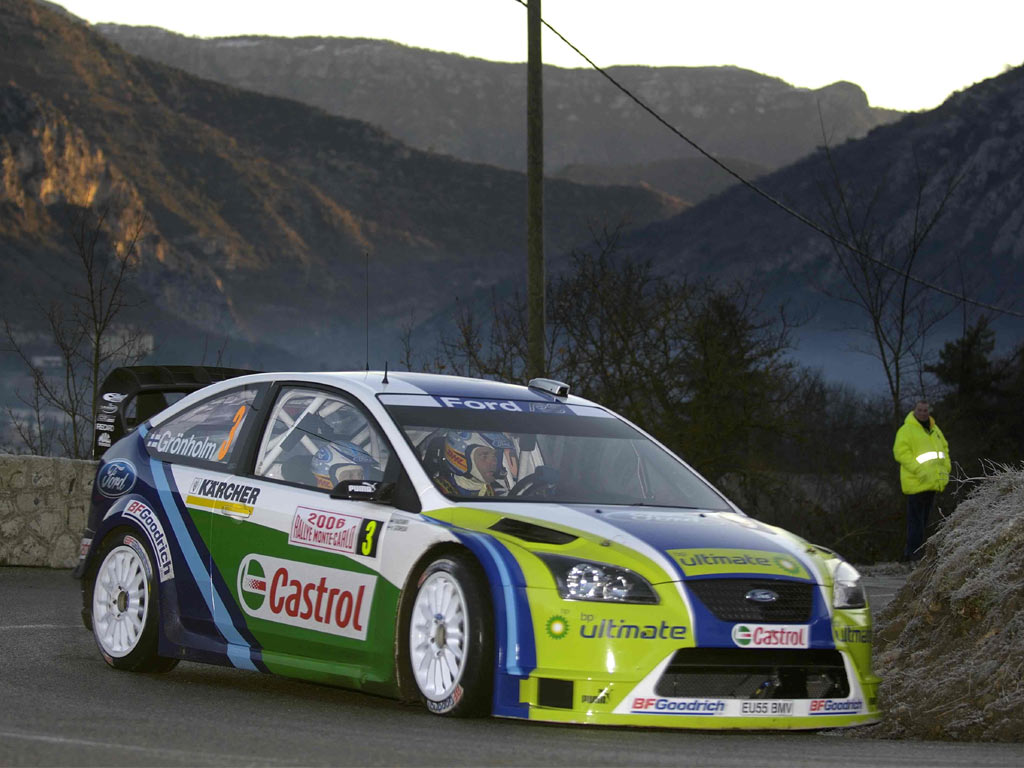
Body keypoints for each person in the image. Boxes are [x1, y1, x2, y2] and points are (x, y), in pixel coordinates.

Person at [892, 400, 951, 561]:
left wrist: (946, 469)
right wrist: (919, 470)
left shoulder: (935, 429)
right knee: (916, 521)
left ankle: (915, 553)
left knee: (924, 521)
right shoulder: (906, 430)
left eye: (925, 410)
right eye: (920, 410)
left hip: (933, 483)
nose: (923, 413)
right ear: (914, 411)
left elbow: (944, 449)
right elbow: (901, 453)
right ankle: (913, 553)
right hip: (916, 482)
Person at [431, 431, 515, 497]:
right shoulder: (434, 493)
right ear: (460, 457)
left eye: (496, 456)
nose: (494, 463)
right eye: (484, 456)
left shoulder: (497, 495)